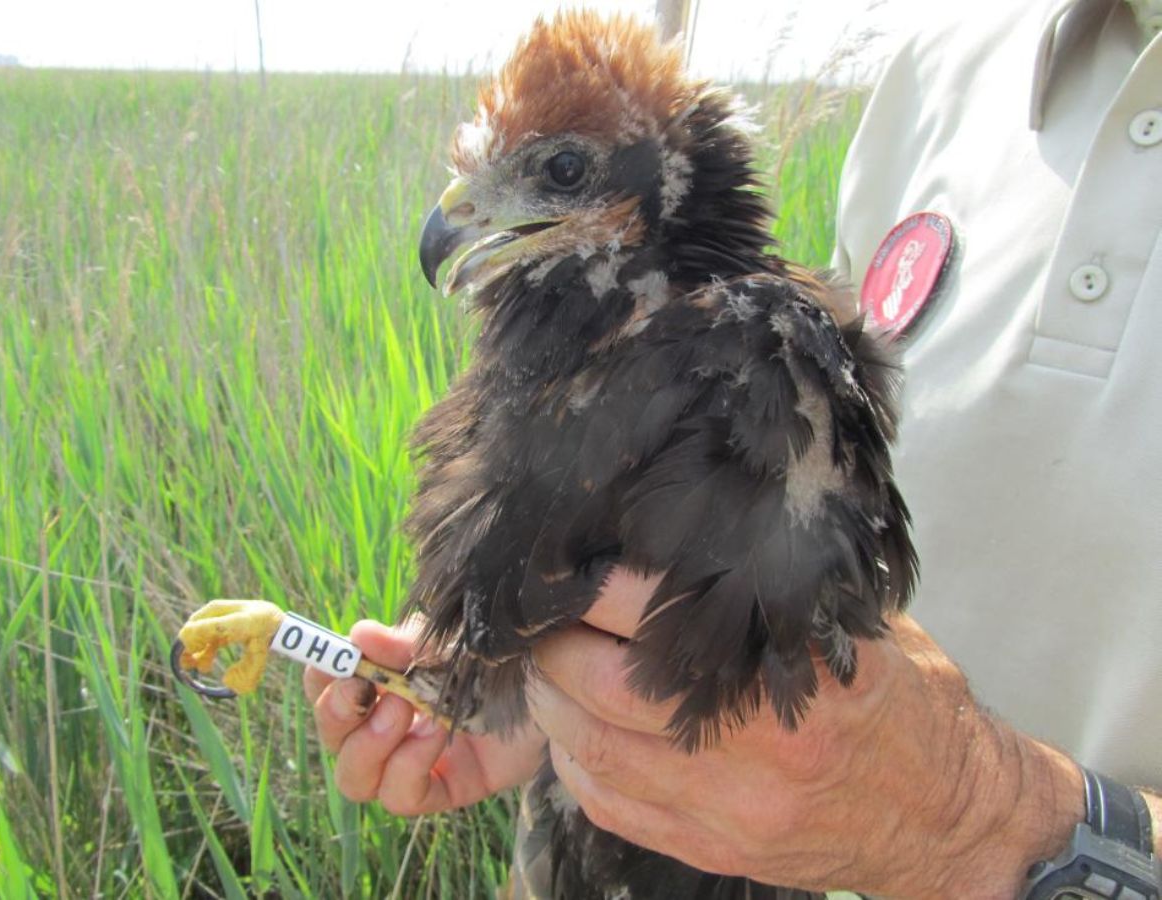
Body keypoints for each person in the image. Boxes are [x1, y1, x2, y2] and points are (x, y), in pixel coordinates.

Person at [304, 1, 1161, 895]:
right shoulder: (944, 70)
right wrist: (556, 689)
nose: (462, 218)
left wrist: (969, 817)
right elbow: (747, 508)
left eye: (560, 173)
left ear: (665, 177)